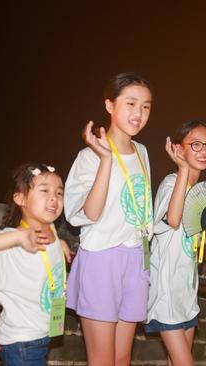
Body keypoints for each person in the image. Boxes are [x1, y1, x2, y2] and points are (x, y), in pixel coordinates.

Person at [64, 72, 153, 365]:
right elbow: (89, 213)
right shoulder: (89, 156)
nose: (138, 114)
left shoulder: (142, 152)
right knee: (102, 359)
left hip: (136, 259)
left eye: (146, 106)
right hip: (102, 256)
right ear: (109, 105)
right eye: (130, 104)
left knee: (123, 358)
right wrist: (105, 160)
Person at [0, 163, 72, 365]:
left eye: (59, 193)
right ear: (20, 198)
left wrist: (61, 244)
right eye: (44, 190)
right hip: (21, 342)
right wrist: (17, 239)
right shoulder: (12, 239)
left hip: (40, 336)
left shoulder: (53, 235)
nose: (54, 198)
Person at [146, 120, 206, 366]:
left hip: (186, 294)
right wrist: (182, 170)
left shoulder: (199, 191)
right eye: (196, 144)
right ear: (180, 149)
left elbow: (184, 241)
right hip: (167, 290)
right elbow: (172, 219)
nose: (204, 151)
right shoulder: (172, 182)